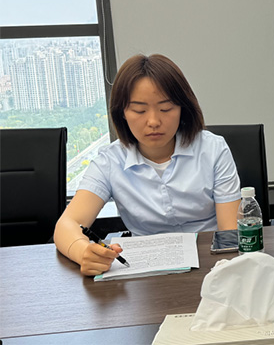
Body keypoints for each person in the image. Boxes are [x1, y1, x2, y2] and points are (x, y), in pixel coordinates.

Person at [54, 54, 242, 275]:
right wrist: (83, 252)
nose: (153, 121)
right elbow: (67, 224)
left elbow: (230, 232)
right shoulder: (110, 160)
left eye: (166, 108)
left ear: (182, 109)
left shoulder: (213, 149)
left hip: (211, 265)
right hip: (144, 272)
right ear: (122, 113)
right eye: (139, 110)